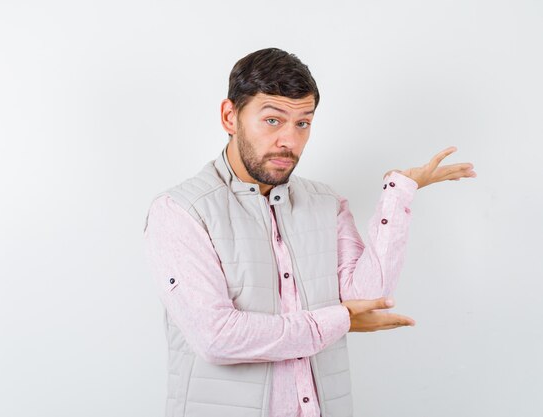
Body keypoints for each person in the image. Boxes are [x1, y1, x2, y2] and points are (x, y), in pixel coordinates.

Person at [143, 47, 476, 417]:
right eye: (273, 120)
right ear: (230, 116)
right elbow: (217, 337)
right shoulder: (180, 211)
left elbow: (366, 298)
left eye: (303, 123)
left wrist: (398, 195)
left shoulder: (325, 202)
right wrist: (338, 319)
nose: (290, 140)